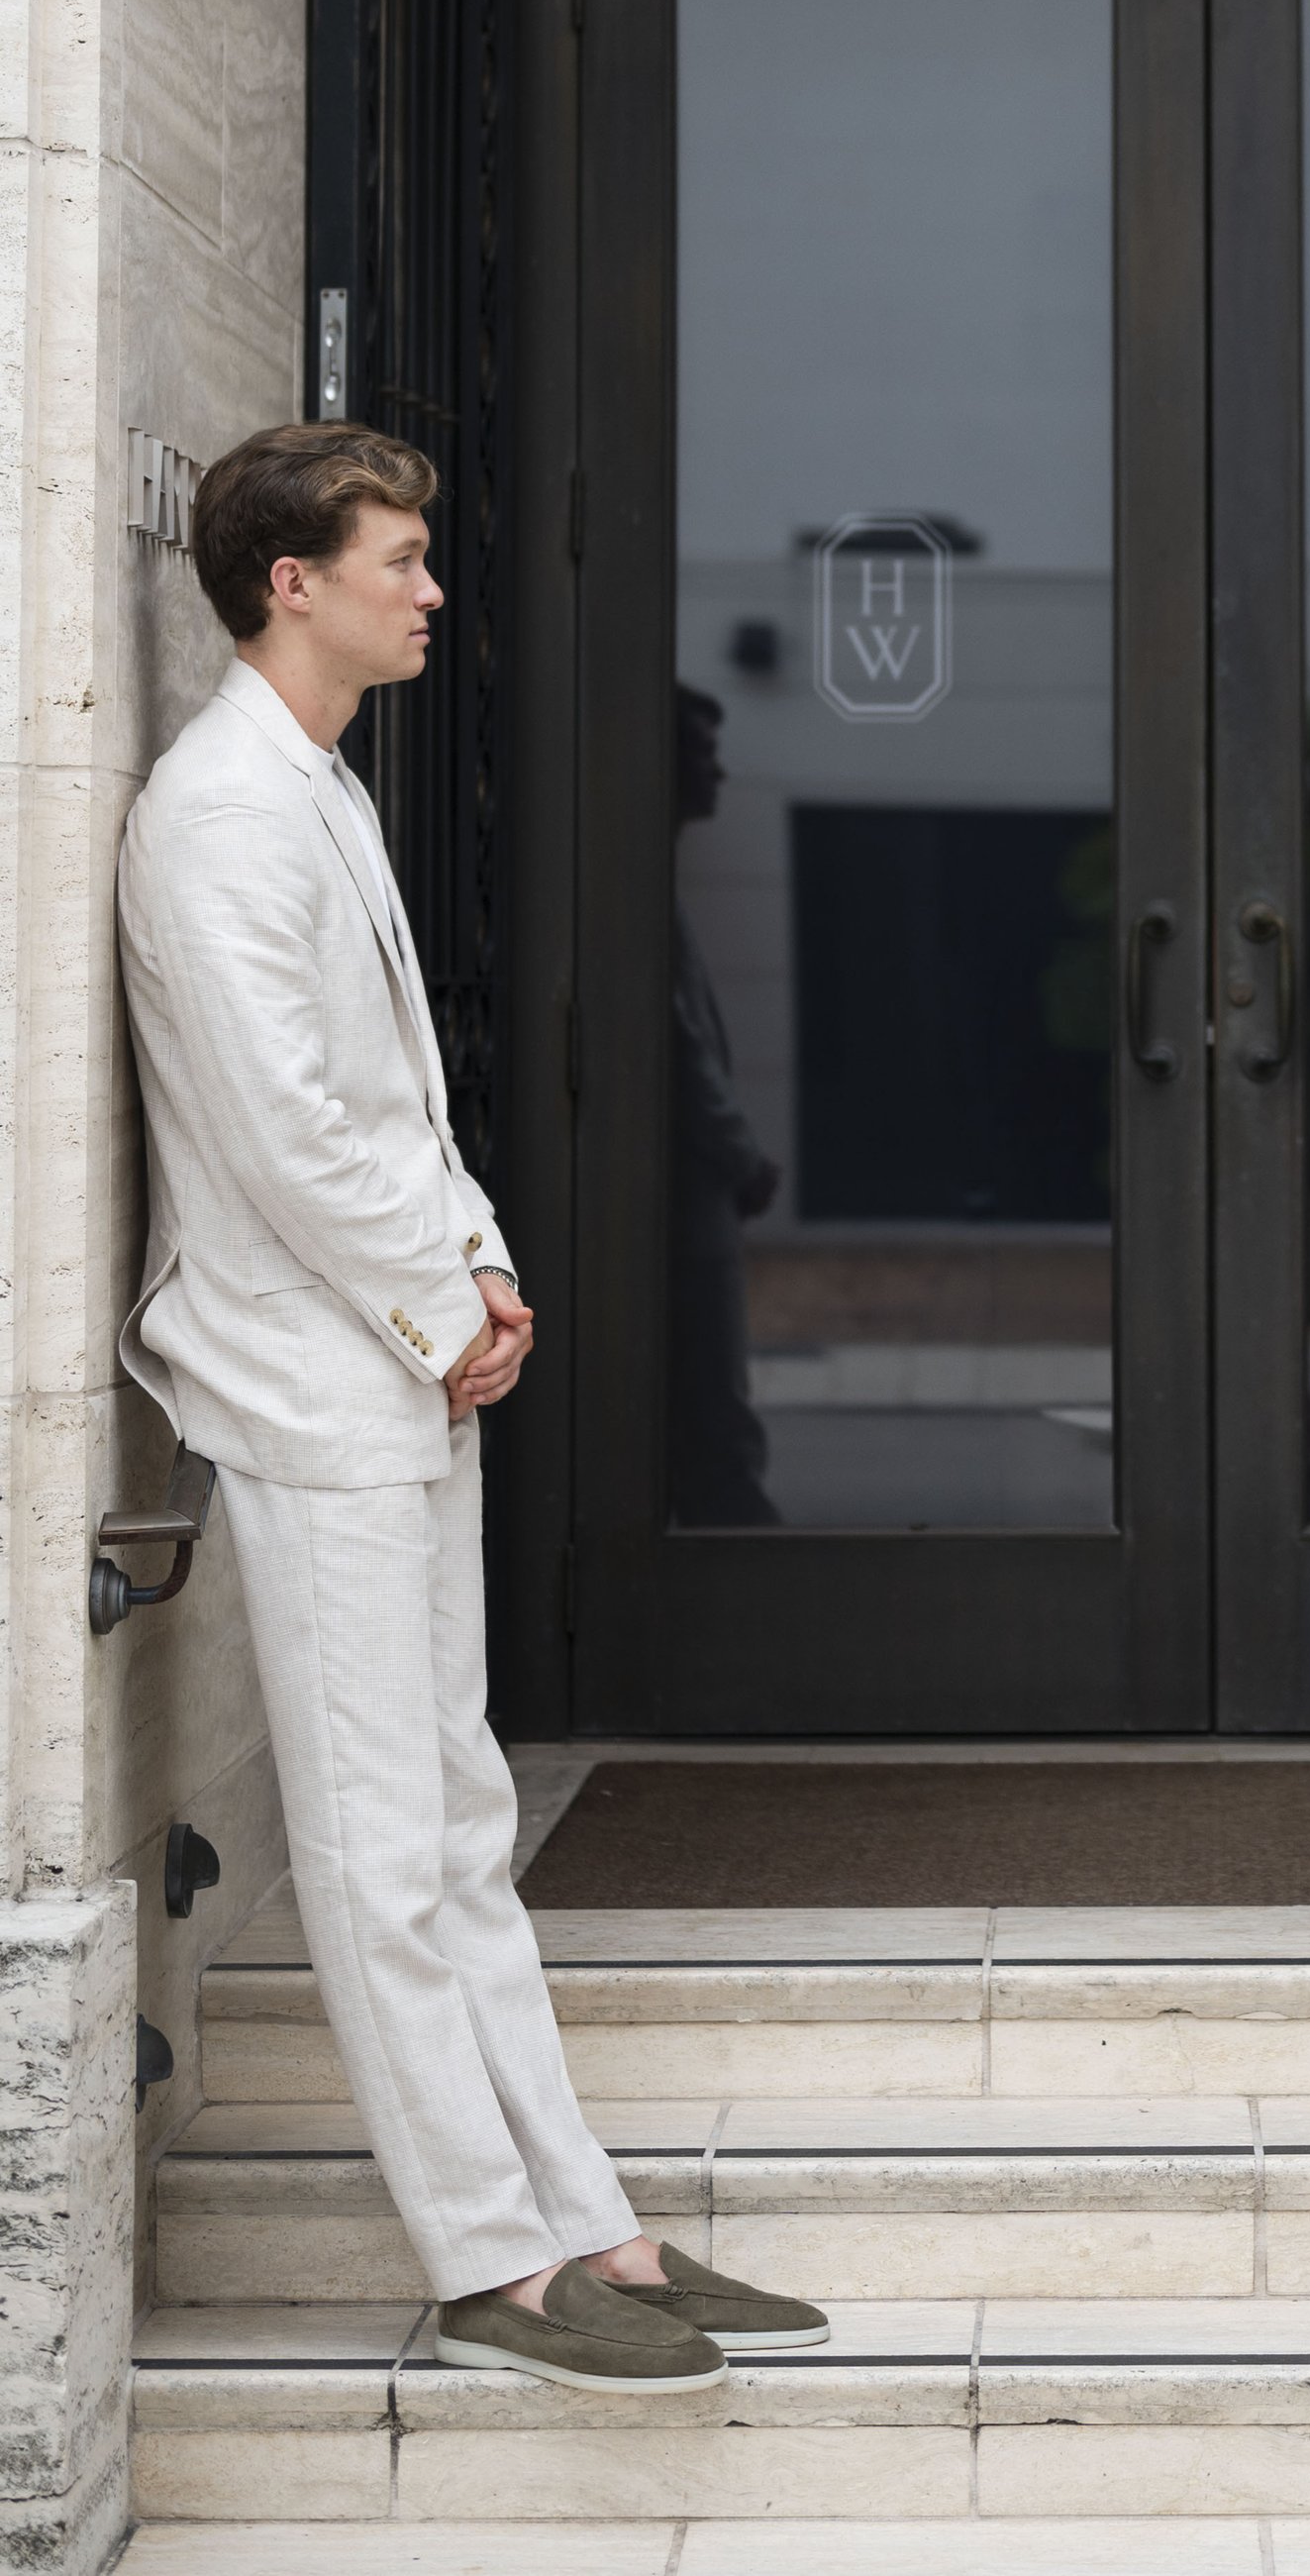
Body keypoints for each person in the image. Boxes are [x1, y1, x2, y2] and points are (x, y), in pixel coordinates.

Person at [115, 422, 832, 2390]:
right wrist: (444, 1304)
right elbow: (278, 1128)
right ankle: (486, 2257)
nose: (431, 591)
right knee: (375, 1836)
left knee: (452, 1811)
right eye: (401, 558)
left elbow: (394, 1107)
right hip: (310, 1370)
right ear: (293, 579)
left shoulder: (316, 788)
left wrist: (479, 1273)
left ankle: (589, 2224)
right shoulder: (217, 813)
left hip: (395, 1356)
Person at [670, 683, 781, 1526]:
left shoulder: (657, 888)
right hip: (684, 1197)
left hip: (694, 1191)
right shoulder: (640, 902)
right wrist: (742, 1158)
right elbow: (683, 1056)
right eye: (704, 753)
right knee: (707, 1392)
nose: (721, 771)